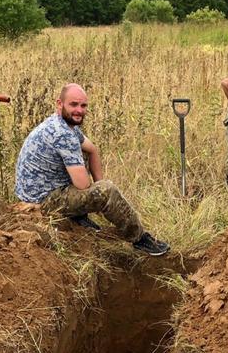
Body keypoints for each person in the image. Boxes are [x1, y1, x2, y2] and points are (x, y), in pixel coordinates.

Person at [15, 84, 169, 256]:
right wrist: (100, 195)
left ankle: (77, 216)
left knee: (95, 177)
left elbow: (92, 149)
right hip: (41, 202)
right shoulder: (62, 134)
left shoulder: (62, 124)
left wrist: (97, 188)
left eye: (83, 106)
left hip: (42, 191)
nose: (79, 110)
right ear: (59, 104)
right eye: (73, 104)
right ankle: (140, 239)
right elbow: (83, 185)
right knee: (107, 191)